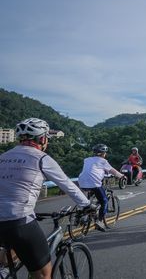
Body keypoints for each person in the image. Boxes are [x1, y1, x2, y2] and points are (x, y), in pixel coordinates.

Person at [0, 118, 92, 279]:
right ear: (42, 139)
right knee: (43, 274)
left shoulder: (3, 156)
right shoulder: (41, 158)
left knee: (9, 252)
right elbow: (67, 185)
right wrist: (86, 205)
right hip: (18, 220)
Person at [78, 144, 124, 231]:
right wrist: (121, 176)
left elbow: (93, 169)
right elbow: (112, 171)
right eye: (105, 153)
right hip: (94, 183)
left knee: (88, 200)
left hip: (82, 182)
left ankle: (84, 212)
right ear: (103, 153)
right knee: (104, 201)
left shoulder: (87, 160)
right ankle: (99, 221)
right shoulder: (103, 161)